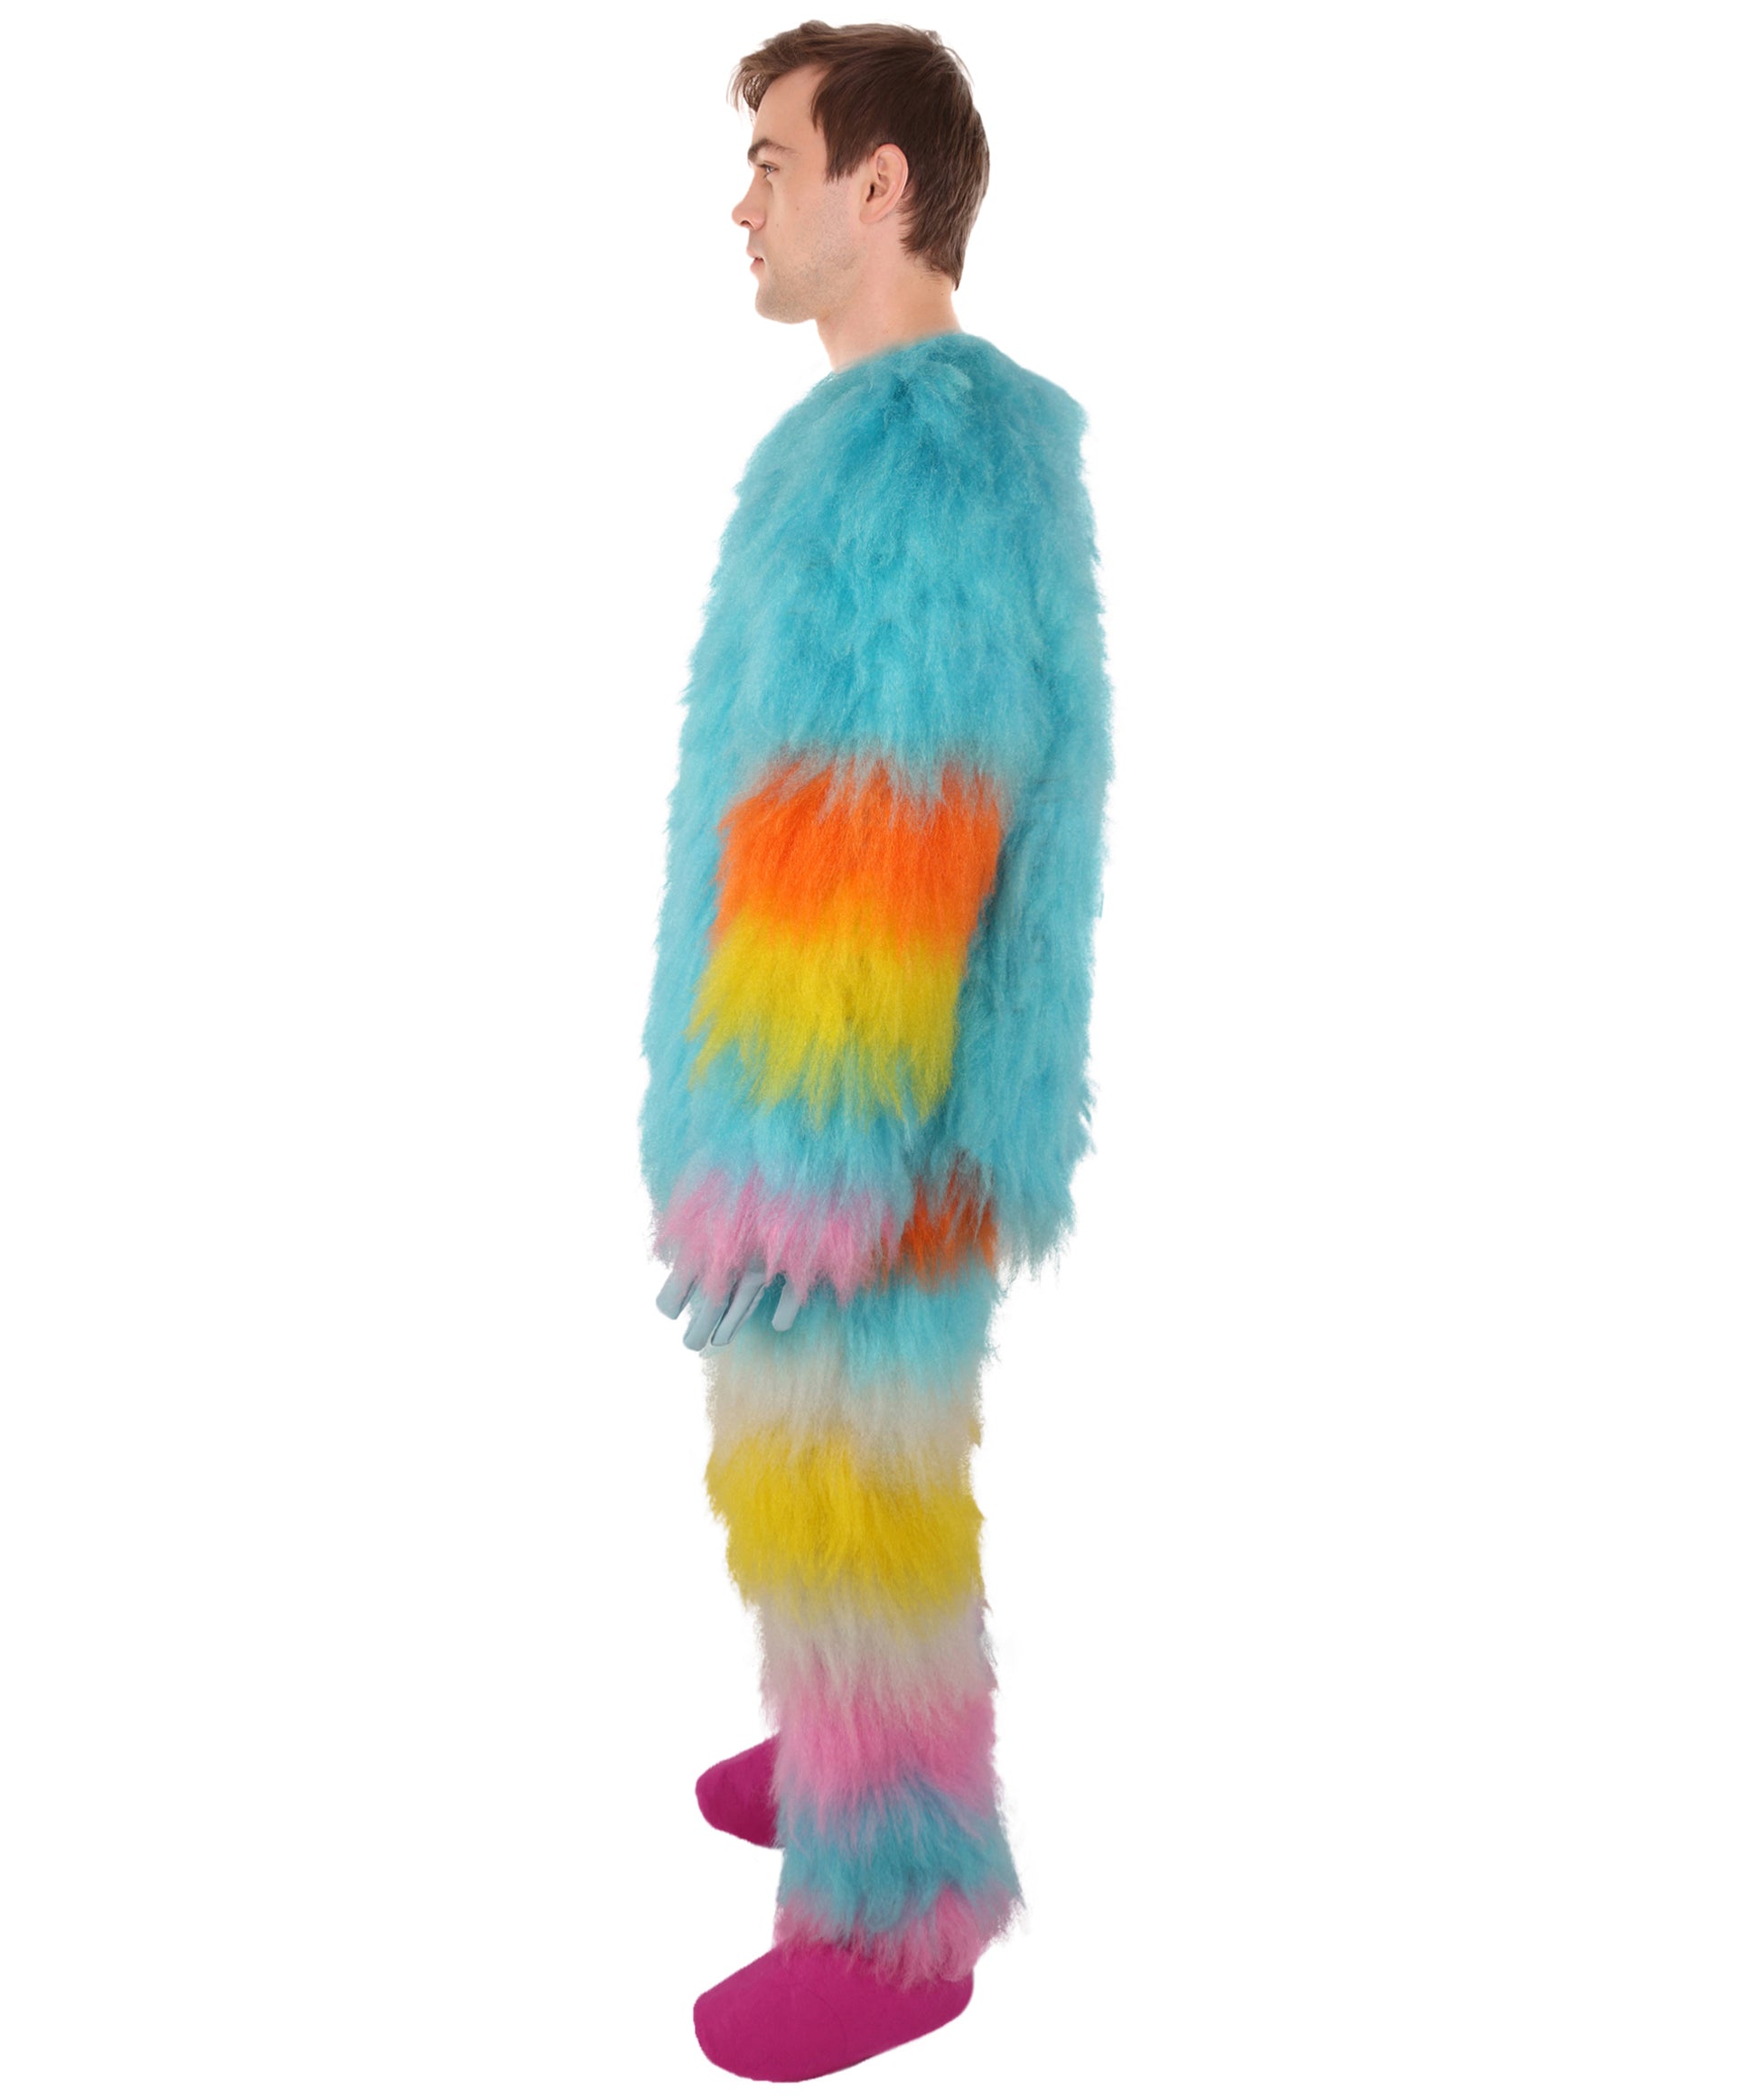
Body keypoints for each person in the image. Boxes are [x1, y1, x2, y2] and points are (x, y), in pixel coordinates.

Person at [639, 22, 1114, 2081]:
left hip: (862, 1104)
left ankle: (897, 1897)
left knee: (853, 1475)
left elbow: (894, 821)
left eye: (773, 157)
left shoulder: (914, 460)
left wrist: (797, 1156)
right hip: (841, 1077)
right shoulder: (877, 440)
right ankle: (844, 1729)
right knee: (810, 1450)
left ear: (882, 184)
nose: (741, 201)